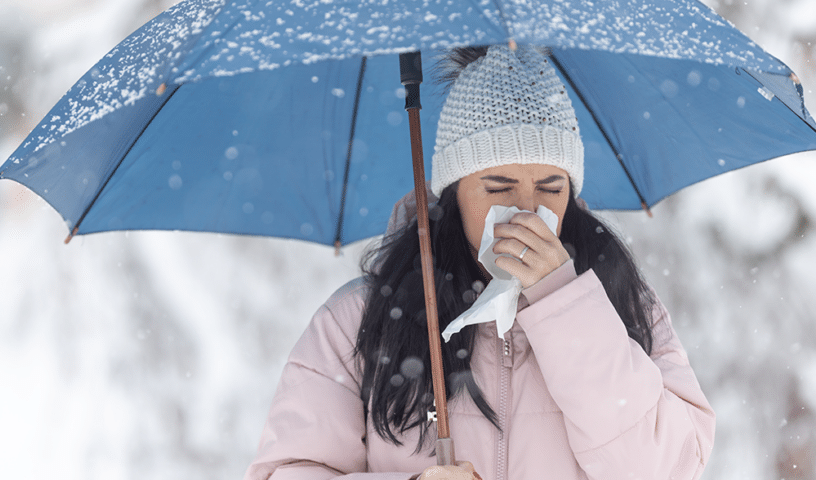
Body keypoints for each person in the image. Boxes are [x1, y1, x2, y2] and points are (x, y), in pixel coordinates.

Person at [244, 45, 714, 480]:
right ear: (455, 192)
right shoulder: (358, 321)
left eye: (551, 187)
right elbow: (288, 469)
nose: (528, 211)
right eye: (499, 188)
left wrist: (565, 304)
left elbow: (668, 467)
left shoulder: (620, 304)